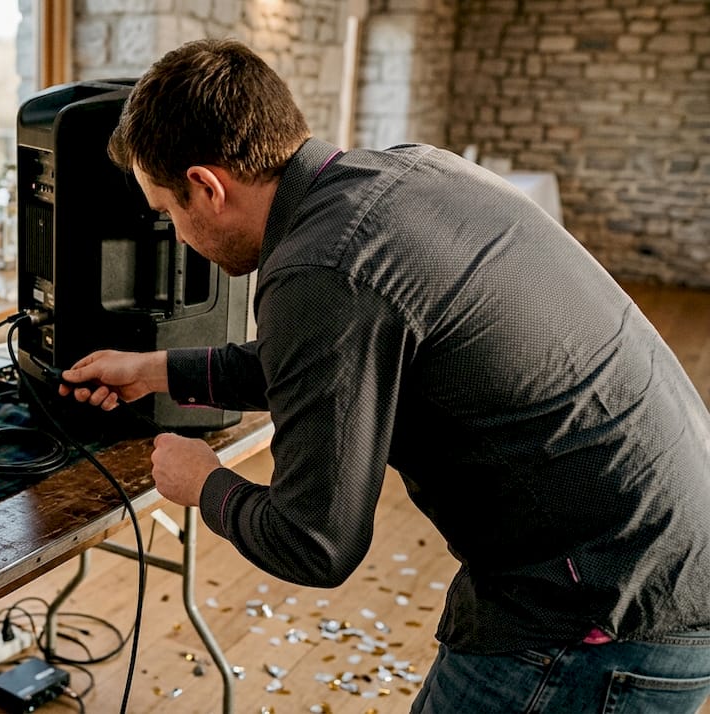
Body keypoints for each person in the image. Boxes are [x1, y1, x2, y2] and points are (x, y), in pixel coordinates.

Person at [59, 38, 710, 713]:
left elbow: (314, 544)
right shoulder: (407, 173)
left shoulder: (320, 268)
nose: (176, 234)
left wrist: (205, 483)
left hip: (605, 612)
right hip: (670, 546)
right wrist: (158, 370)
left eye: (168, 213)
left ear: (207, 187)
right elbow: (321, 362)